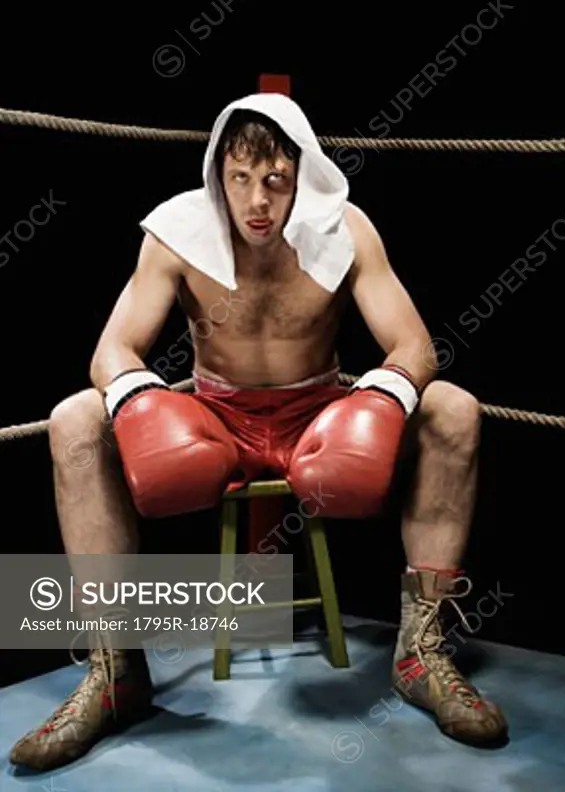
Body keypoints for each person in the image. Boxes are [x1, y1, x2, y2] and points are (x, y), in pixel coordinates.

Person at [9, 93, 508, 771]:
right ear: (218, 173)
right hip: (215, 414)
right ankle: (113, 671)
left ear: (300, 176)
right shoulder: (176, 233)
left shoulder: (345, 229)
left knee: (452, 406)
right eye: (240, 179)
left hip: (317, 413)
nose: (257, 201)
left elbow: (414, 348)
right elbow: (113, 351)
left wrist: (380, 402)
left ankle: (421, 651)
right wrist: (143, 405)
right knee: (75, 417)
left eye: (274, 180)